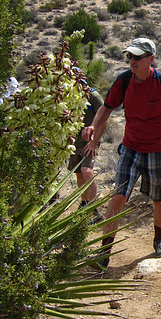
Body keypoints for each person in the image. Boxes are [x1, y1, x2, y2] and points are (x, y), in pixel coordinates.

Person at [82, 38, 161, 268]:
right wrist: (95, 126)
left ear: (151, 59)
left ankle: (159, 240)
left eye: (137, 57)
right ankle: (104, 252)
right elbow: (107, 107)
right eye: (130, 57)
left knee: (158, 197)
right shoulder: (124, 80)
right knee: (118, 196)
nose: (132, 61)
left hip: (157, 149)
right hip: (130, 147)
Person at [68, 85, 107, 223]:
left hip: (89, 141)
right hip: (74, 141)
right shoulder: (69, 93)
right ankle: (84, 203)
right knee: (78, 172)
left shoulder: (93, 96)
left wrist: (95, 141)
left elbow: (104, 116)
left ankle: (93, 208)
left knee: (86, 170)